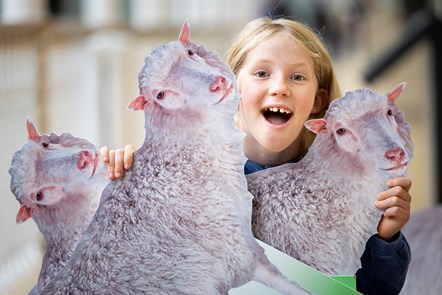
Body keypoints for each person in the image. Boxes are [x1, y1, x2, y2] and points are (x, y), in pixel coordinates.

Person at [101, 17, 412, 294]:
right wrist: (120, 181)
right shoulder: (188, 180)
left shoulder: (349, 195)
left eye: (297, 77)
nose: (279, 87)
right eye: (262, 73)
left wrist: (386, 237)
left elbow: (375, 289)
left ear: (318, 101)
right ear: (233, 87)